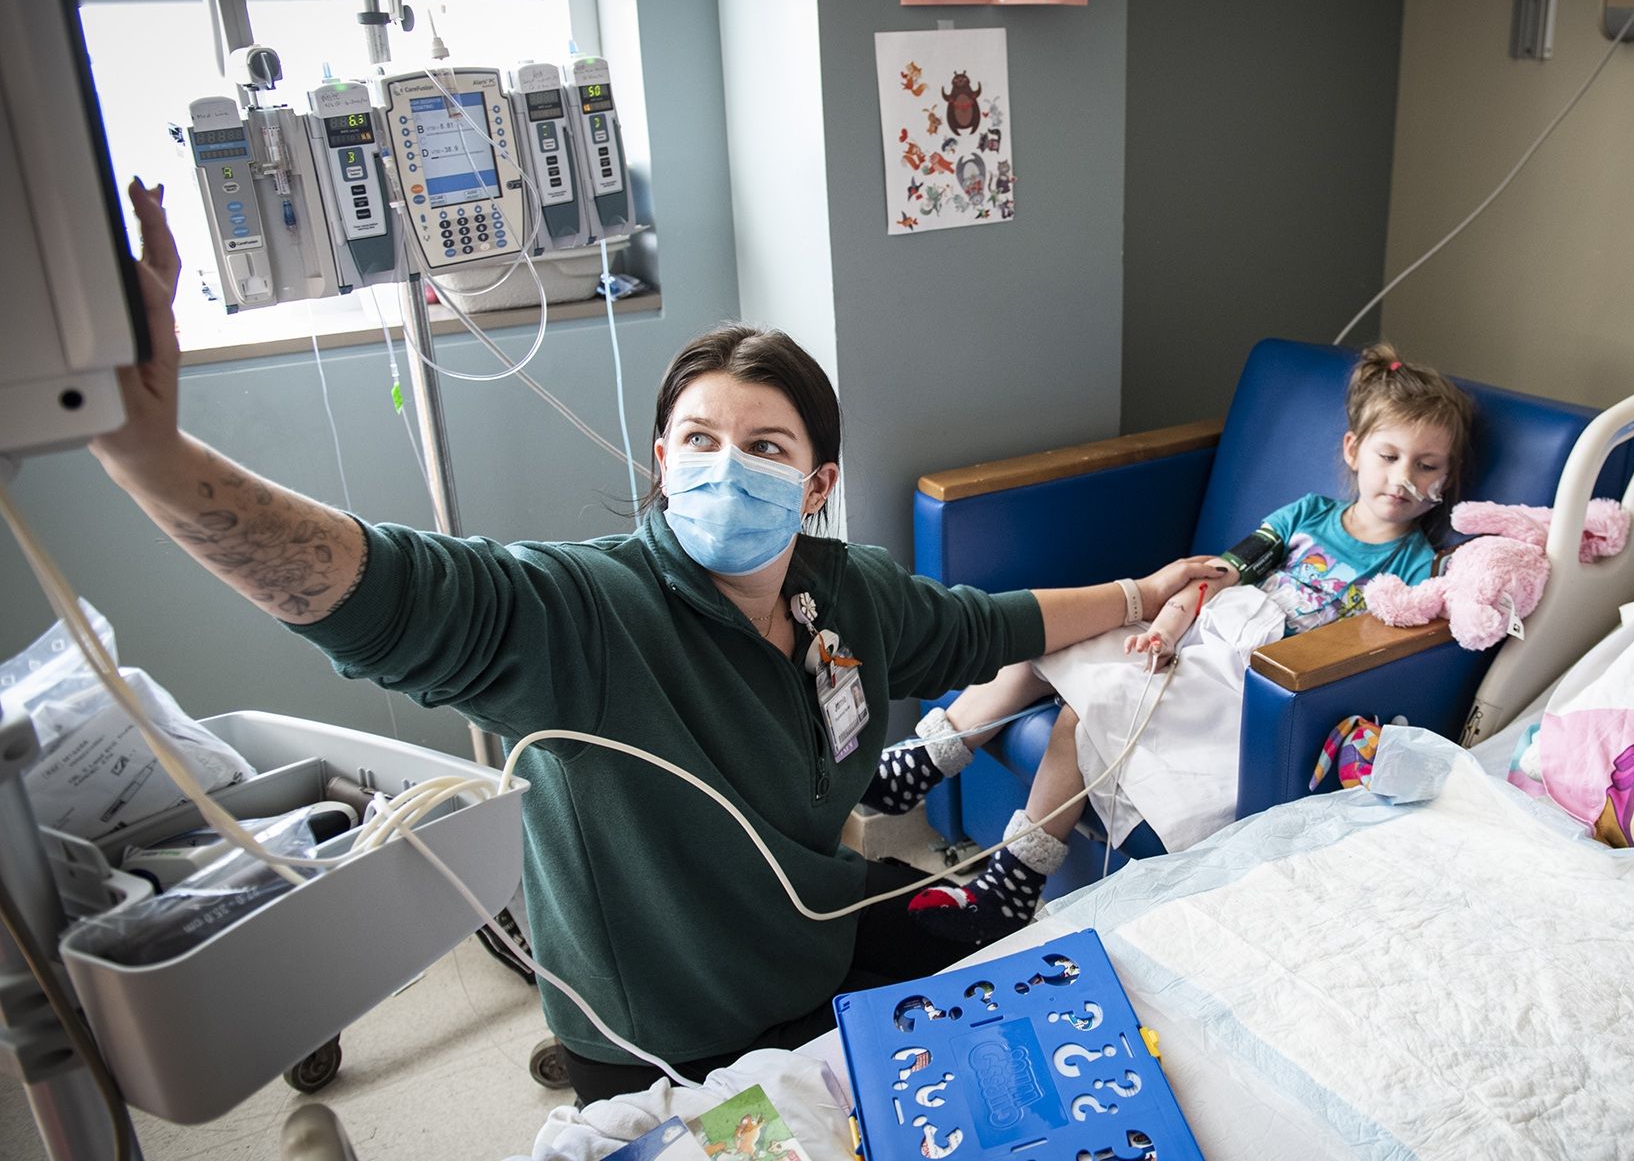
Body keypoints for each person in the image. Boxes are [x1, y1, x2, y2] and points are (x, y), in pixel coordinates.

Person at [99, 180, 1219, 1105]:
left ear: (818, 483)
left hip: (815, 937)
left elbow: (993, 624)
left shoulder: (847, 597)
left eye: (764, 445)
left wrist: (1139, 590)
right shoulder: (581, 617)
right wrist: (148, 453)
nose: (726, 465)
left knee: (1025, 1004)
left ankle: (941, 823)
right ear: (661, 461)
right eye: (699, 439)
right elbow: (383, 591)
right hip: (666, 1040)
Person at [871, 346, 1476, 944]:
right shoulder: (1306, 517)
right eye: (1389, 455)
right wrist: (1165, 628)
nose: (1402, 479)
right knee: (1042, 644)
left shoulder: (1416, 565)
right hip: (1203, 633)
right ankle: (922, 762)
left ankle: (1009, 889)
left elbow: (1376, 652)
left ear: (1446, 480)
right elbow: (1213, 578)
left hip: (1255, 679)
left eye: (1426, 466)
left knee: (1081, 716)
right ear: (1354, 450)